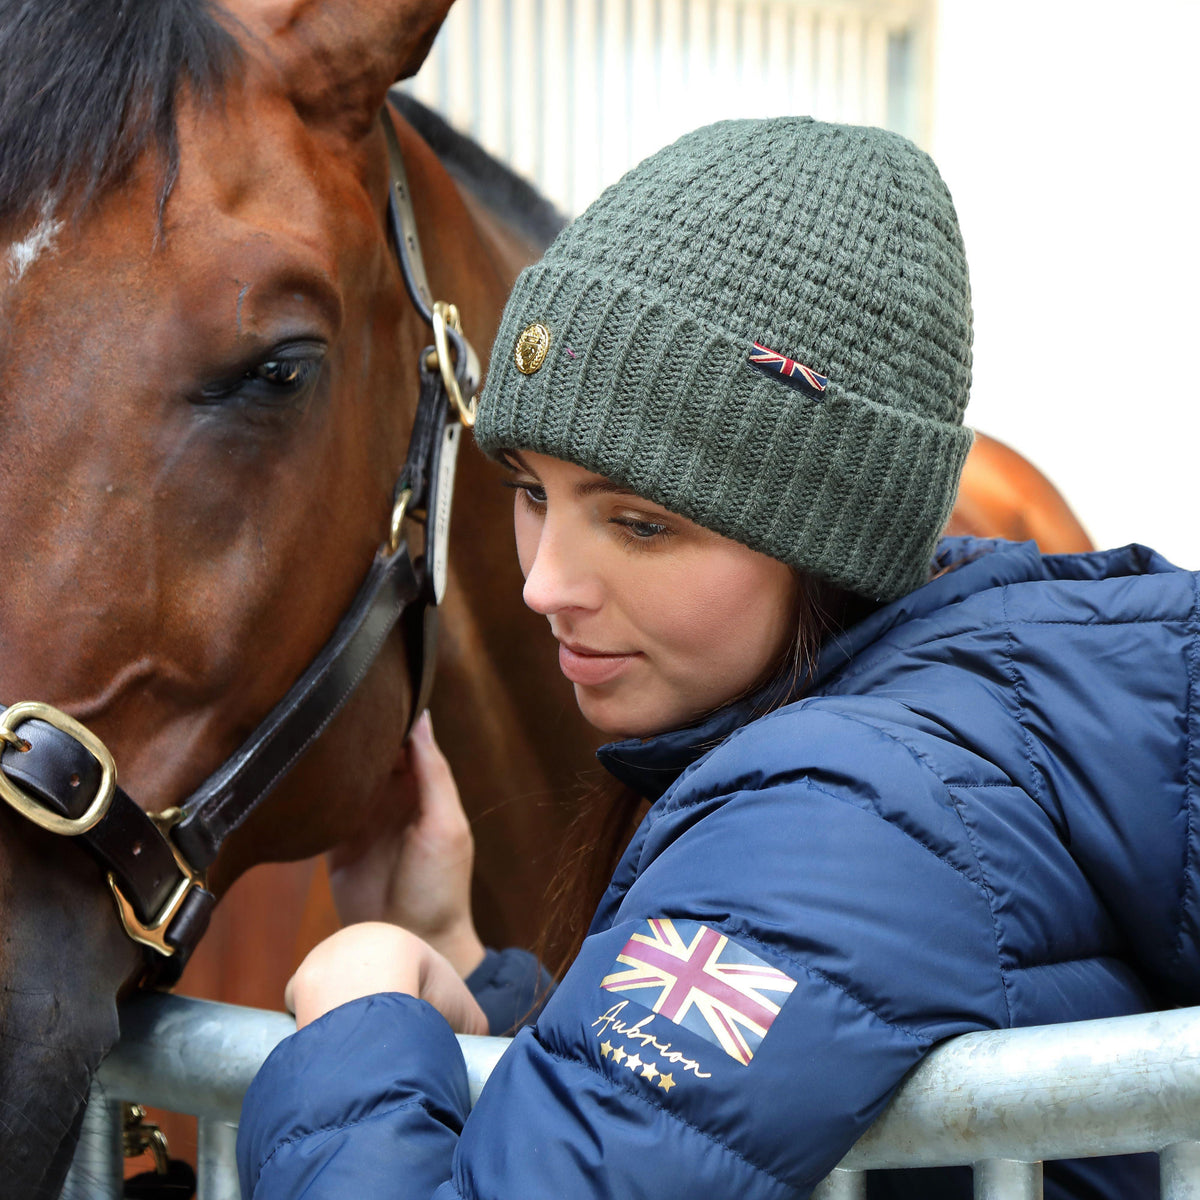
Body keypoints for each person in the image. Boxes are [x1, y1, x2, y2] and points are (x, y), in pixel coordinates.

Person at [236, 117, 1198, 1199]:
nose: (545, 584)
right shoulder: (928, 740)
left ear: (834, 536)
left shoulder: (843, 826)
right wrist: (458, 961)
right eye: (531, 492)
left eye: (641, 523)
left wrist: (357, 1034)